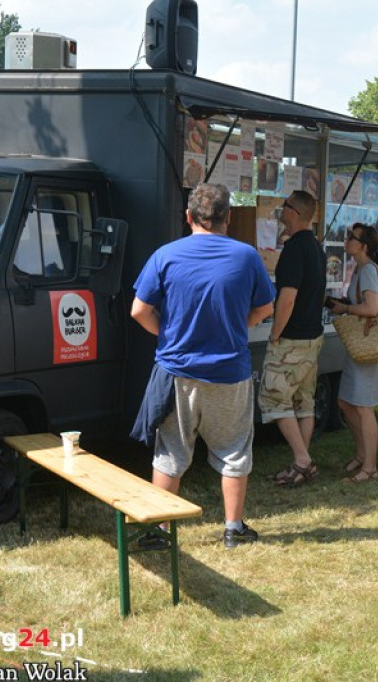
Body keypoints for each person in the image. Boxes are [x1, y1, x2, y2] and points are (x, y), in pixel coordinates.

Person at [131, 183, 275, 549]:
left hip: (176, 371)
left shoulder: (165, 255)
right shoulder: (246, 257)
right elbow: (265, 307)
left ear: (188, 216)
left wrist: (167, 335)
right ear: (228, 217)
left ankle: (159, 531)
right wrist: (239, 326)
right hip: (229, 372)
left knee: (170, 452)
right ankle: (233, 528)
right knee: (235, 449)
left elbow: (139, 311)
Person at [260, 190, 327, 488]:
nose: (281, 209)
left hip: (292, 340)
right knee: (303, 402)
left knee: (272, 398)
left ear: (294, 212)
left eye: (285, 205)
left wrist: (275, 333)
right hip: (312, 337)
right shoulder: (316, 248)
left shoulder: (294, 249)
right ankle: (302, 463)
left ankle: (302, 460)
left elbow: (287, 299)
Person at [325, 223, 378, 483]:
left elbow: (373, 309)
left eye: (351, 237)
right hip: (361, 346)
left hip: (370, 347)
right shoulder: (362, 269)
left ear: (363, 246)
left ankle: (370, 467)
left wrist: (345, 309)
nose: (346, 240)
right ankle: (363, 455)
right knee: (345, 402)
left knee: (364, 407)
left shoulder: (368, 271)